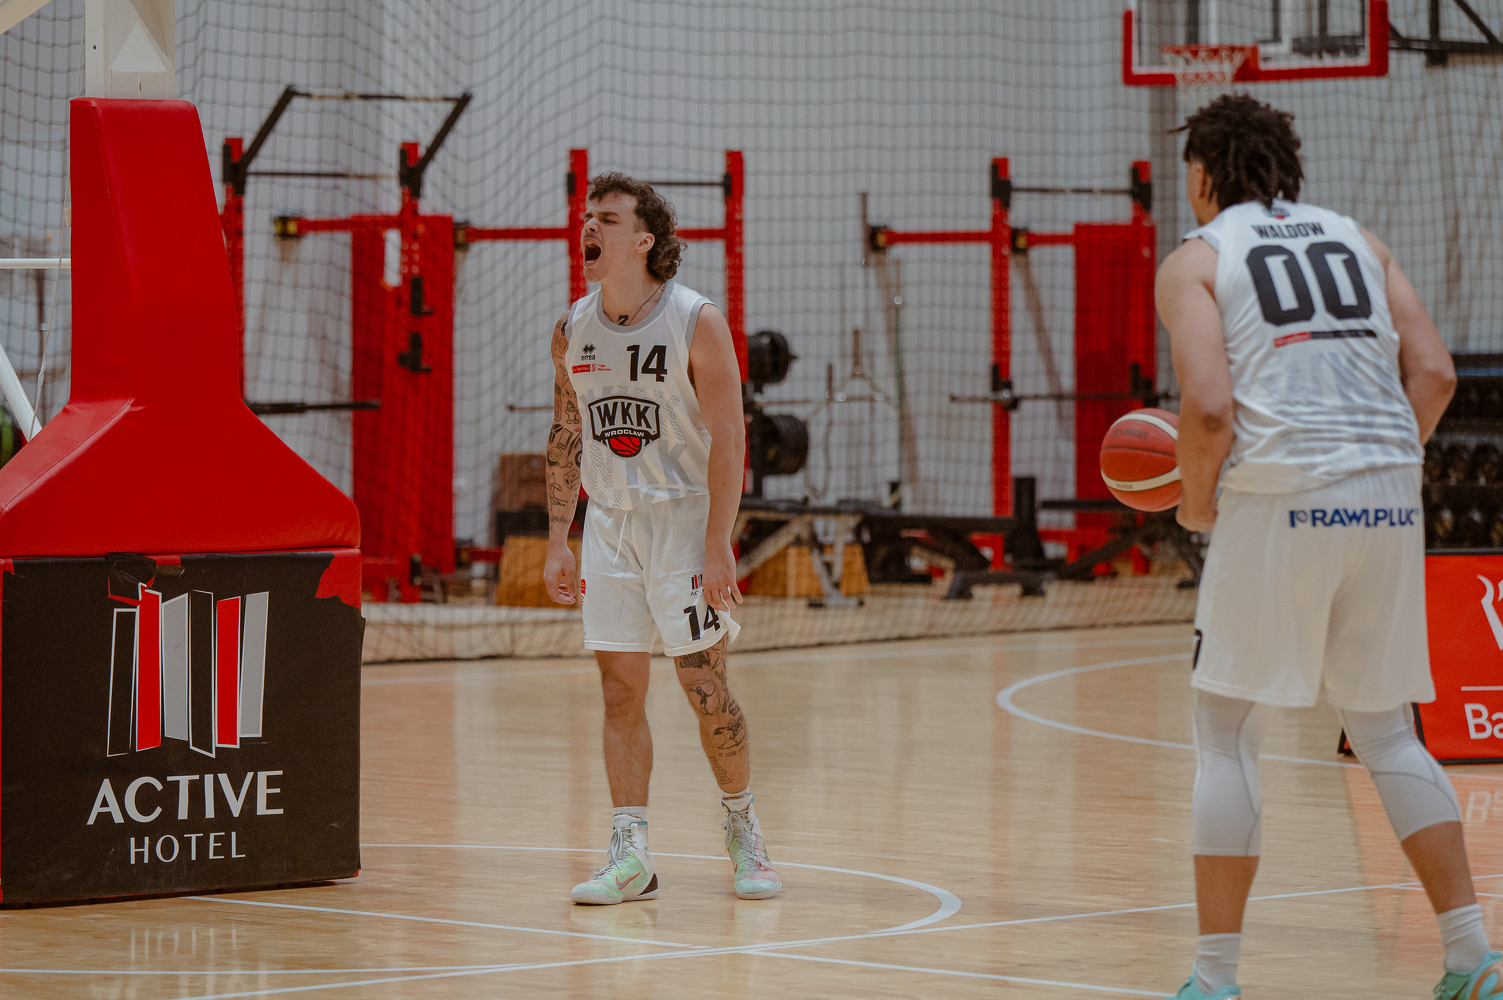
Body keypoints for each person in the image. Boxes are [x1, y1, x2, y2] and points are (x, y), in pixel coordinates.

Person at [1156, 94, 1493, 999]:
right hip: (1387, 492)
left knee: (1226, 733)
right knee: (1384, 729)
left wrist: (1196, 506)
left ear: (1201, 174)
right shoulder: (1360, 240)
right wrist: (1374, 467)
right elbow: (1435, 373)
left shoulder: (1196, 259)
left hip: (1278, 494)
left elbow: (1209, 407)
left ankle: (1214, 980)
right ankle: (1472, 961)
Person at [542, 171, 780, 905]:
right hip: (610, 524)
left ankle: (742, 825)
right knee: (619, 690)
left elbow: (730, 435)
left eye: (607, 219)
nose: (590, 227)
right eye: (587, 216)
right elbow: (565, 433)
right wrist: (558, 537)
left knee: (704, 686)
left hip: (682, 521)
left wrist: (718, 540)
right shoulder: (572, 328)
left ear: (644, 240)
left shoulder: (693, 319)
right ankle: (631, 854)